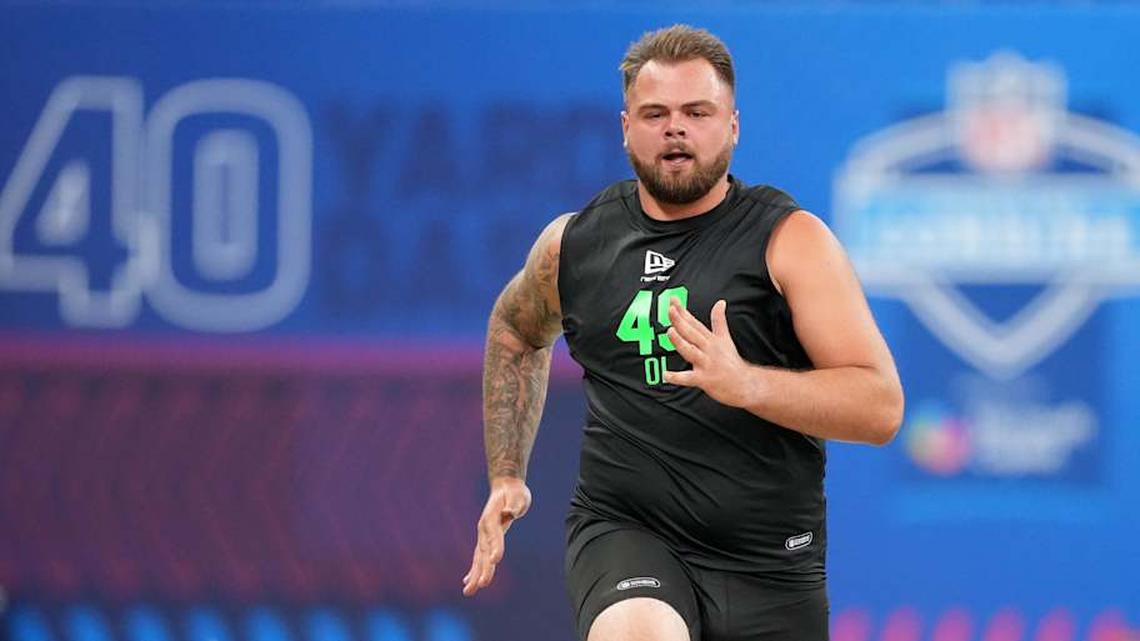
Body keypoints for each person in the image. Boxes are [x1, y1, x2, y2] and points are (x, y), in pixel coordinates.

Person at [461, 24, 904, 641]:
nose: (676, 128)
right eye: (655, 113)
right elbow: (514, 330)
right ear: (625, 129)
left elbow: (880, 407)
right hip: (626, 532)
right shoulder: (575, 243)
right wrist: (507, 474)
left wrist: (748, 384)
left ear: (733, 127)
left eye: (697, 112)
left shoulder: (789, 241)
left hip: (769, 560)